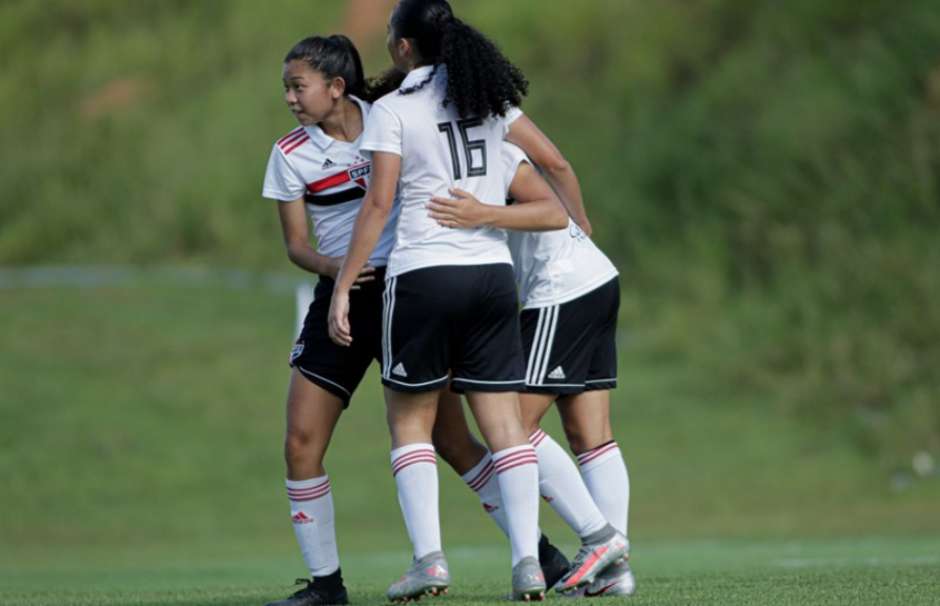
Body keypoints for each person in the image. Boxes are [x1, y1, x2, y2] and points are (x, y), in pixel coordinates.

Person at [327, 0, 626, 600]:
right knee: (506, 426)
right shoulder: (489, 104)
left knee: (412, 423)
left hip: (423, 276)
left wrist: (343, 284)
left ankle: (430, 561)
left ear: (406, 47)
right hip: (493, 279)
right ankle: (528, 563)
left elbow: (379, 204)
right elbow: (550, 177)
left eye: (391, 36)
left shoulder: (394, 110)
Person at [427, 142, 637, 596]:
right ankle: (613, 573)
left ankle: (601, 538)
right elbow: (560, 168)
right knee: (590, 434)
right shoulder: (463, 147)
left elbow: (551, 203)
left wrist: (483, 212)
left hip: (561, 287)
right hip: (594, 278)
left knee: (512, 425)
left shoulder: (492, 148)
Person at [260, 35, 402, 606]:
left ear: (337, 87)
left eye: (299, 86)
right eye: (287, 88)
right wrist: (339, 269)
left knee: (450, 437)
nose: (291, 98)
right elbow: (296, 245)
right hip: (338, 297)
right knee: (300, 441)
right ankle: (326, 586)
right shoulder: (290, 153)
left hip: (404, 293)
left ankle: (540, 556)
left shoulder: (391, 122)